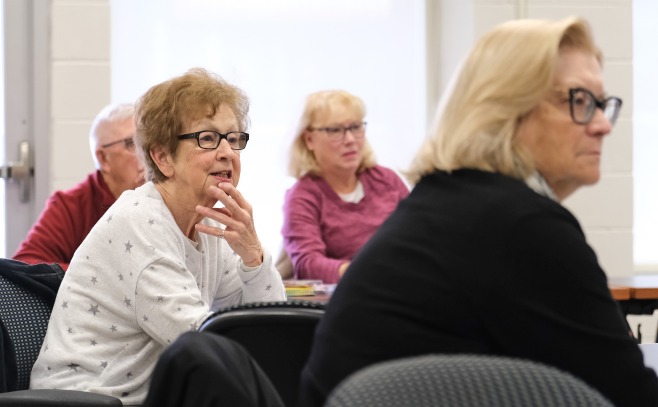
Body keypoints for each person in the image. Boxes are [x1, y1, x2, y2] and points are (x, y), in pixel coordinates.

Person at [298, 17, 658, 407]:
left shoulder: (450, 205)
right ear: (507, 109)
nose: (603, 124)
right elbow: (631, 396)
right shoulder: (520, 227)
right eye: (580, 102)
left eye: (602, 104)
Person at [29, 67, 286, 405]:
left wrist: (254, 258)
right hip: (90, 399)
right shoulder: (140, 223)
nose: (227, 152)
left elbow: (267, 332)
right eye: (207, 139)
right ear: (163, 157)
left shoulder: (208, 224)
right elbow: (203, 344)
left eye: (234, 138)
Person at [281, 90, 409, 283]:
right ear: (309, 140)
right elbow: (307, 265)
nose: (350, 139)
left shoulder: (387, 180)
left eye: (356, 127)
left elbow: (418, 238)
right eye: (335, 130)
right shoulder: (303, 196)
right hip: (351, 297)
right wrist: (367, 272)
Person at [13, 103, 145, 271]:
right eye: (132, 144)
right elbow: (25, 266)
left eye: (147, 141)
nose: (146, 154)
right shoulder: (70, 207)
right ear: (103, 158)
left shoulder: (165, 193)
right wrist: (97, 278)